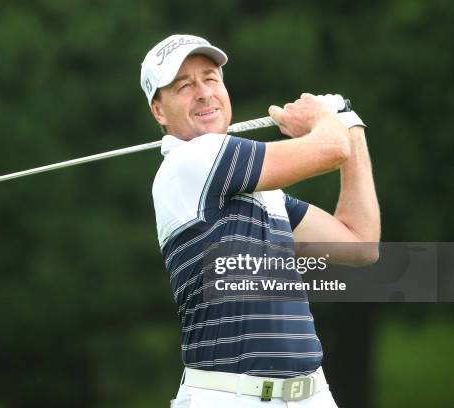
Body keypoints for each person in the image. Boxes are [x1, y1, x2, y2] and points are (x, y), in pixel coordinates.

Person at [140, 34, 380, 407]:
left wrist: (350, 124)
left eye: (211, 79)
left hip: (311, 395)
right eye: (184, 86)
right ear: (159, 111)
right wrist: (323, 119)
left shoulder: (261, 192)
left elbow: (361, 245)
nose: (203, 93)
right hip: (229, 396)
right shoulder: (190, 162)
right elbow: (330, 149)